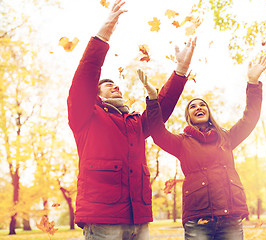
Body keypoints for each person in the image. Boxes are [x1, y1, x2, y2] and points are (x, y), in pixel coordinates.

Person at [67, 0, 197, 239]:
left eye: (116, 84)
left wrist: (180, 70)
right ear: (96, 95)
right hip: (103, 219)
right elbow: (84, 78)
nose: (114, 86)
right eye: (107, 85)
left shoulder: (134, 122)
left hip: (138, 218)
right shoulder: (86, 115)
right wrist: (102, 35)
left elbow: (160, 112)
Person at [141, 56, 266, 240]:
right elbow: (157, 132)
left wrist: (253, 82)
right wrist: (153, 100)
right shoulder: (182, 142)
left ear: (208, 113)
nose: (198, 107)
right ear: (189, 116)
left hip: (230, 217)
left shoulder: (227, 138)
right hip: (198, 218)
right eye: (193, 106)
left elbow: (250, 118)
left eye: (202, 105)